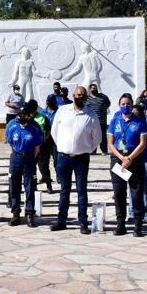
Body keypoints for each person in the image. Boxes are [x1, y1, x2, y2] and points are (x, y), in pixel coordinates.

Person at [49, 86, 101, 233]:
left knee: (81, 190)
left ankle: (83, 222)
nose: (80, 97)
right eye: (78, 95)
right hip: (64, 157)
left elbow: (97, 138)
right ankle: (61, 221)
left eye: (83, 95)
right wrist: (63, 146)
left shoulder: (91, 114)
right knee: (64, 190)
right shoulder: (62, 111)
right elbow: (54, 131)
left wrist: (87, 149)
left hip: (81, 159)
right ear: (73, 95)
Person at [106, 94, 147, 237]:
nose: (126, 106)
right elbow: (110, 143)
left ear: (132, 105)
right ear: (119, 105)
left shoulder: (139, 121)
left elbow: (143, 143)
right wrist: (122, 158)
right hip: (118, 159)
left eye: (128, 104)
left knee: (136, 192)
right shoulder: (115, 121)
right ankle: (120, 224)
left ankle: (138, 225)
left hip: (134, 159)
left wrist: (129, 158)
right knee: (119, 192)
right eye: (123, 104)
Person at [5, 101, 43, 227]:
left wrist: (31, 158)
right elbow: (11, 143)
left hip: (29, 159)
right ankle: (15, 214)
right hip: (16, 158)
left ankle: (30, 214)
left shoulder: (35, 127)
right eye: (20, 114)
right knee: (14, 186)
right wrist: (17, 154)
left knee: (30, 187)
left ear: (29, 115)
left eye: (24, 115)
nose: (22, 117)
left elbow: (37, 147)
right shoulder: (12, 125)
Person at [35, 97, 57, 192]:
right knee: (32, 167)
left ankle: (49, 184)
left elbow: (48, 130)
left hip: (47, 143)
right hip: (33, 146)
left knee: (45, 165)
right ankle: (33, 185)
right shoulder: (29, 117)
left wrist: (44, 139)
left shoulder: (43, 117)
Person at [86, 84, 112, 155]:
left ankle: (104, 151)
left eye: (95, 88)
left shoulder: (103, 97)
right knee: (92, 136)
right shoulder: (87, 98)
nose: (94, 89)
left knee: (102, 136)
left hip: (102, 120)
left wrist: (102, 109)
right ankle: (93, 150)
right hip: (91, 121)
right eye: (93, 88)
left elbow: (108, 104)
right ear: (90, 89)